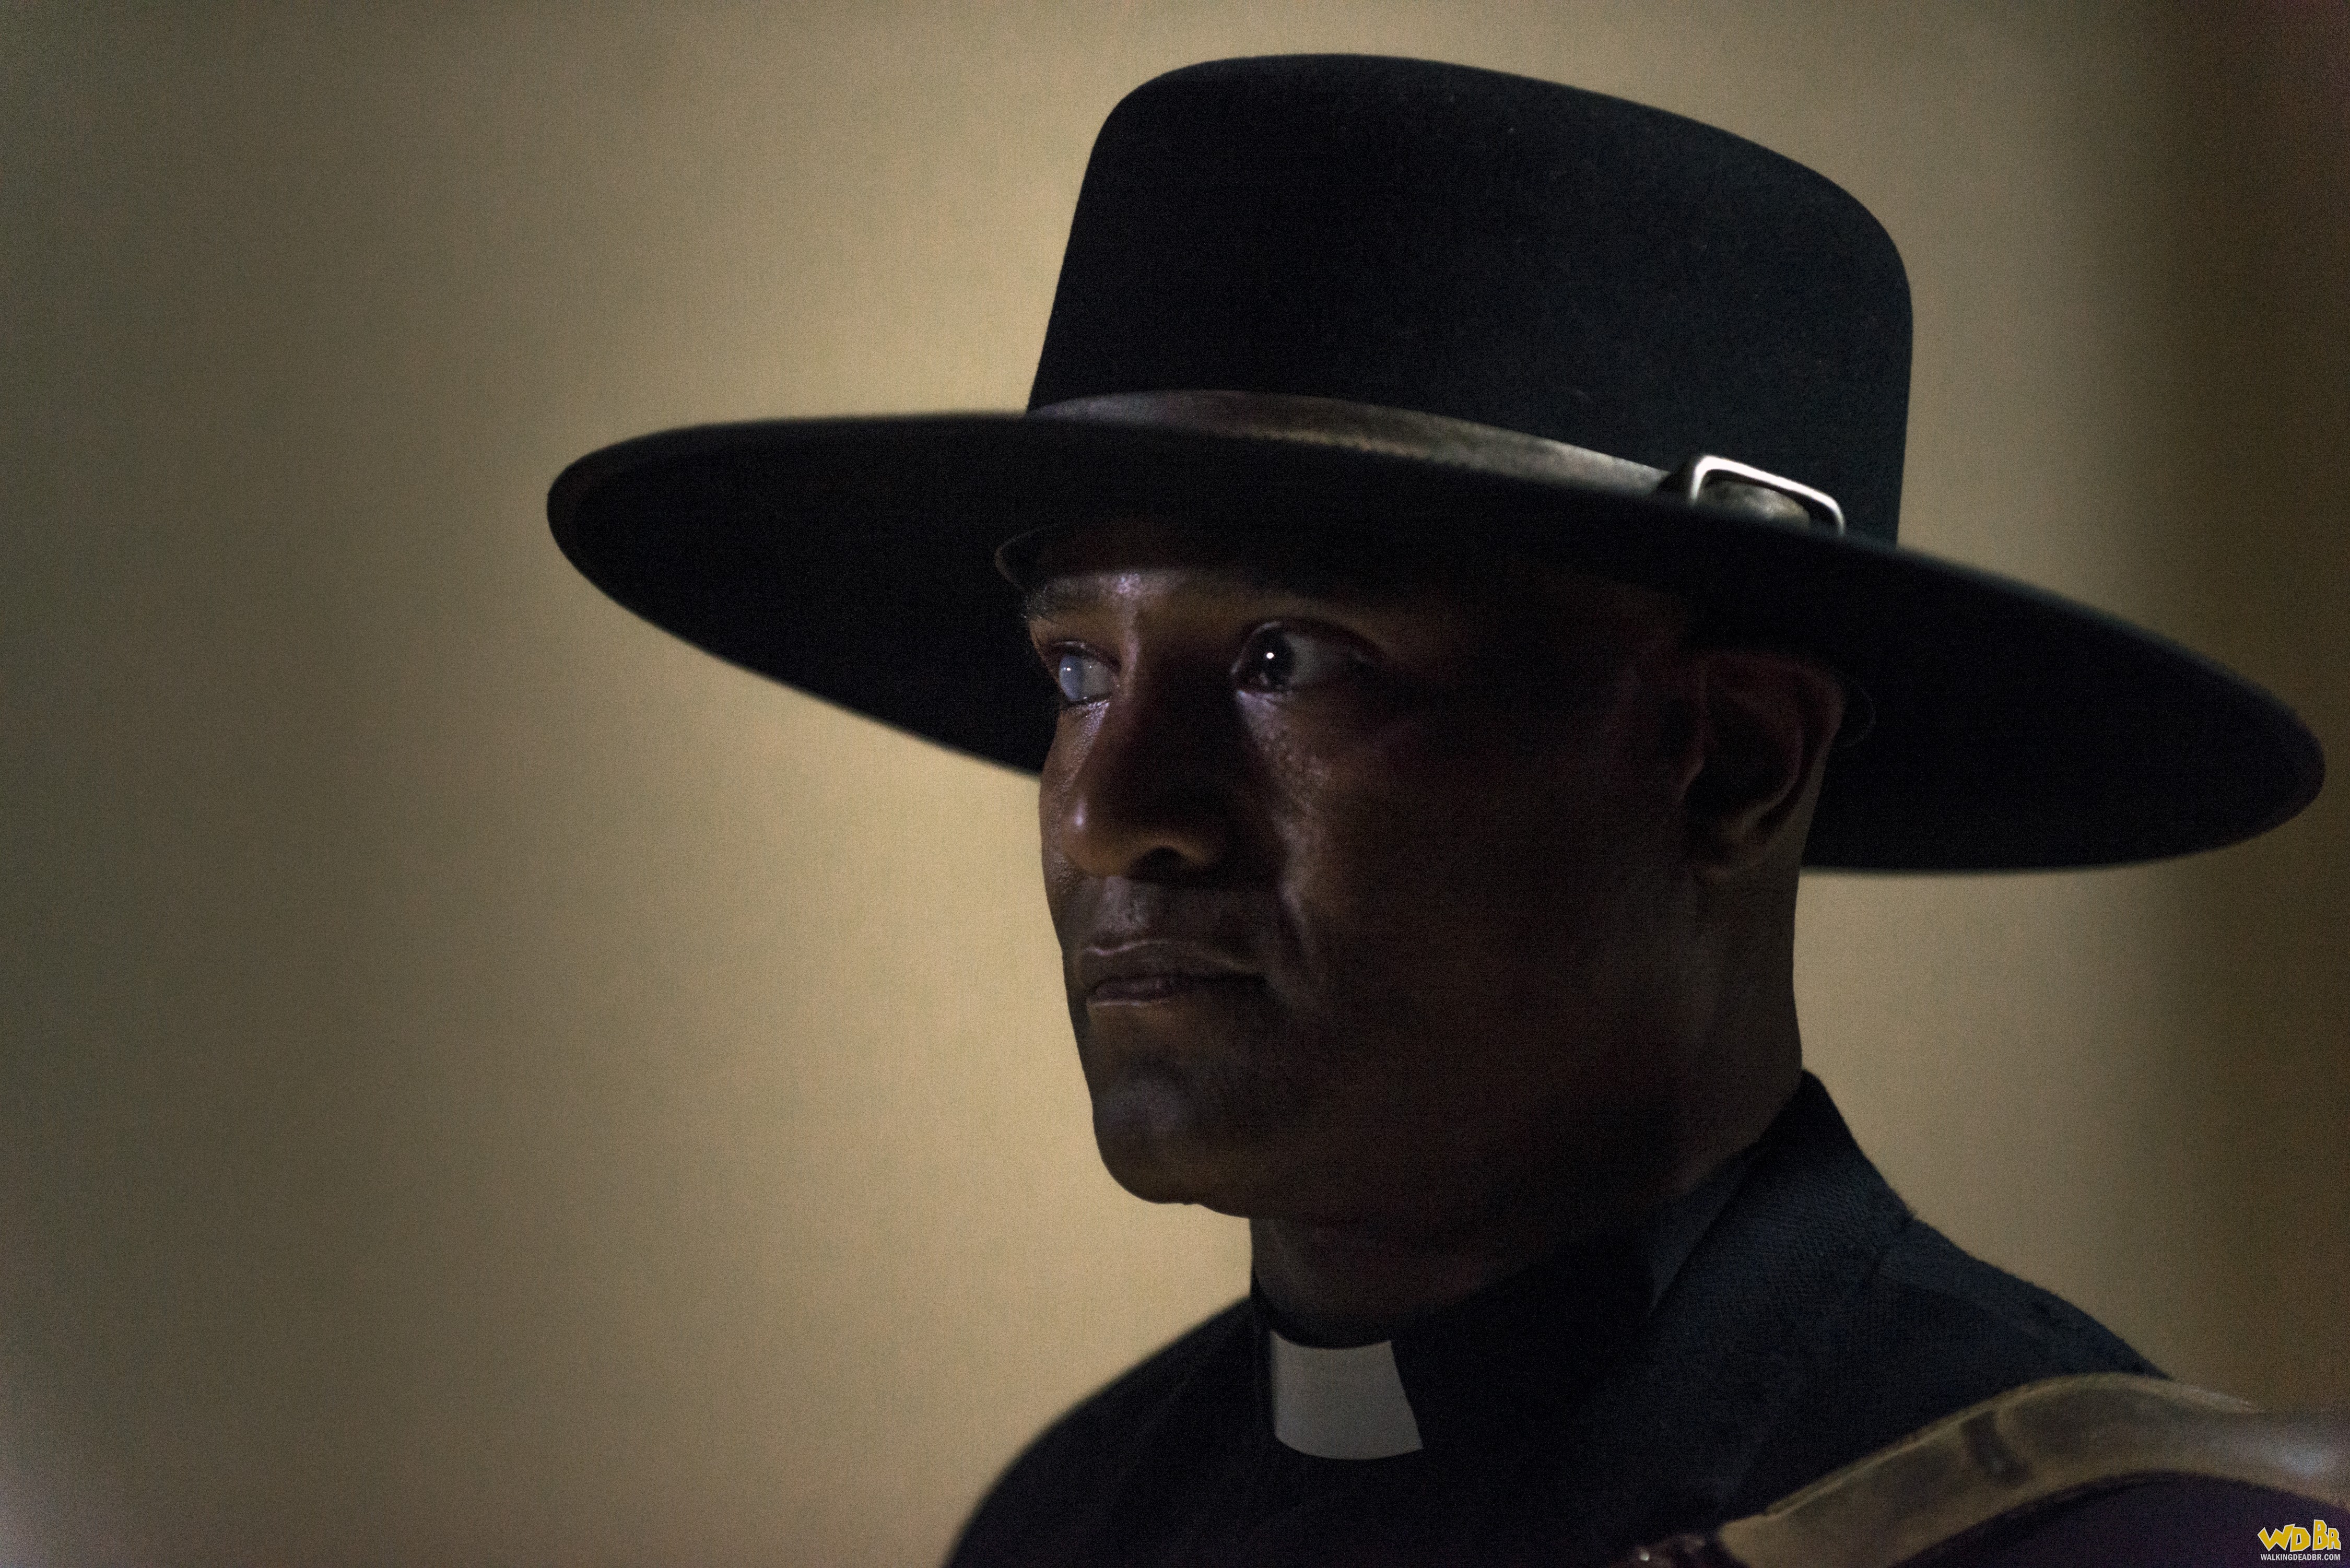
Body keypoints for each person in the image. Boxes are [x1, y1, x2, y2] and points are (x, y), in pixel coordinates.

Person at [548, 54, 2324, 1568]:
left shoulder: (2121, 1539)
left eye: (1286, 658)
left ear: (1730, 758)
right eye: (1077, 669)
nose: (1106, 813)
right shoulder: (1070, 1524)